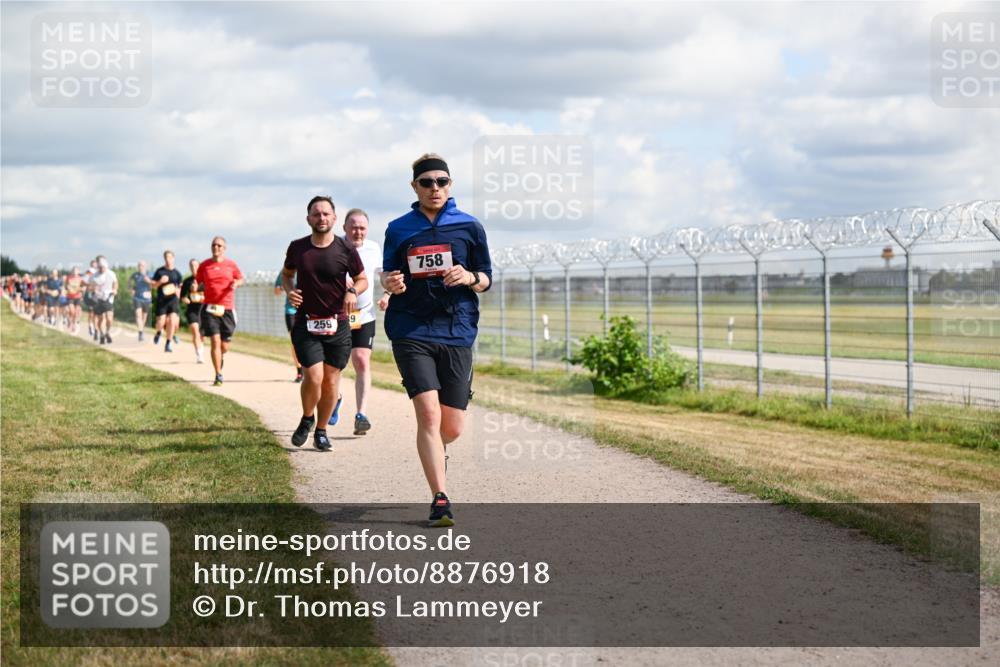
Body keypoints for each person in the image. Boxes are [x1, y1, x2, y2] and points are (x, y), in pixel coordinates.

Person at [381, 153, 492, 527]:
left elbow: (487, 278)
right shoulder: (398, 228)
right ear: (414, 187)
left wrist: (469, 277)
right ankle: (440, 499)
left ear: (451, 185)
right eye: (427, 182)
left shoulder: (469, 227)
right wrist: (390, 283)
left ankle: (436, 449)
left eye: (442, 181)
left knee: (452, 427)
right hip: (410, 328)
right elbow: (390, 274)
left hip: (457, 329)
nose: (435, 188)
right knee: (427, 412)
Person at [282, 196, 367, 451]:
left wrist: (353, 292)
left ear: (334, 218)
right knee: (314, 375)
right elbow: (287, 275)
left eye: (326, 214)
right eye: (316, 214)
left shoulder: (345, 249)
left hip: (338, 323)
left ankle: (321, 430)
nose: (321, 218)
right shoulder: (297, 248)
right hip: (307, 323)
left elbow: (361, 279)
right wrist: (289, 290)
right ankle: (307, 417)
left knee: (331, 380)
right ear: (308, 218)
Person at [340, 208, 389, 435]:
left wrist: (387, 295)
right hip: (337, 315)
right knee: (335, 364)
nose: (357, 232)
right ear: (344, 228)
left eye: (362, 228)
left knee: (361, 360)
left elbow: (384, 275)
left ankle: (361, 414)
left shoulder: (373, 248)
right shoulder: (335, 246)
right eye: (353, 227)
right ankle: (334, 398)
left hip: (363, 314)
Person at [195, 237, 244, 386]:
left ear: (224, 248)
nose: (216, 247)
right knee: (215, 341)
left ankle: (220, 357)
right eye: (214, 245)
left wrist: (236, 283)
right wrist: (197, 288)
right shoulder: (204, 266)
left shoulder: (231, 265)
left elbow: (240, 279)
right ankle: (218, 374)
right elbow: (199, 283)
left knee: (224, 346)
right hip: (210, 308)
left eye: (219, 245)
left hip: (227, 308)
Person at [151, 251, 183, 353]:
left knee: (172, 321)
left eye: (170, 257)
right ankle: (158, 332)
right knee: (161, 321)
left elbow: (181, 286)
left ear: (173, 258)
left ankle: (168, 344)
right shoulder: (160, 272)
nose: (168, 259)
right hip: (162, 300)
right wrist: (160, 281)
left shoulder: (177, 273)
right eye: (166, 258)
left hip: (173, 300)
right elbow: (153, 285)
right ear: (164, 259)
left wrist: (179, 291)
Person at [274, 273, 303, 382]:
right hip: (291, 311)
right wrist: (284, 287)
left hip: (307, 310)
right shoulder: (286, 270)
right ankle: (300, 371)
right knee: (295, 341)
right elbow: (276, 291)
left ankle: (309, 366)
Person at [181, 259, 206, 363]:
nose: (193, 267)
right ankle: (199, 355)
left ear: (199, 266)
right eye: (191, 265)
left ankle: (200, 349)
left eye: (195, 265)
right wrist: (185, 299)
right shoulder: (187, 281)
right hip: (192, 310)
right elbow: (182, 296)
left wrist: (198, 290)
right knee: (195, 331)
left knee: (202, 335)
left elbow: (209, 294)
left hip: (203, 309)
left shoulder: (205, 279)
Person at [90, 256, 118, 344]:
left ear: (106, 267)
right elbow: (90, 287)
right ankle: (102, 334)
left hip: (109, 298)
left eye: (103, 267)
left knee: (109, 318)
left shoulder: (111, 274)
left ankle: (107, 332)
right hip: (98, 299)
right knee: (101, 319)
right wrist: (93, 289)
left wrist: (114, 290)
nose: (102, 269)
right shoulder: (94, 276)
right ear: (98, 267)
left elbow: (115, 283)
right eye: (100, 267)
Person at [129, 261, 152, 341]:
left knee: (144, 317)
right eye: (139, 265)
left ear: (145, 266)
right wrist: (131, 289)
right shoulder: (135, 275)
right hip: (137, 298)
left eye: (142, 265)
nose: (140, 267)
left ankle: (141, 330)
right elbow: (129, 282)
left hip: (146, 298)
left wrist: (149, 281)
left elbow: (154, 284)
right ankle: (140, 333)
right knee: (138, 315)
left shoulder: (150, 274)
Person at [64, 267, 85, 334]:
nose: (75, 272)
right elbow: (66, 286)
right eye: (73, 271)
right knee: (72, 311)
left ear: (78, 272)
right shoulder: (68, 278)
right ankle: (70, 320)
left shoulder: (81, 279)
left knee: (76, 312)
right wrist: (68, 288)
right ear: (72, 271)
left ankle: (74, 324)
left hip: (78, 297)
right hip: (70, 297)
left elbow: (83, 287)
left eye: (76, 271)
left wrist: (81, 290)